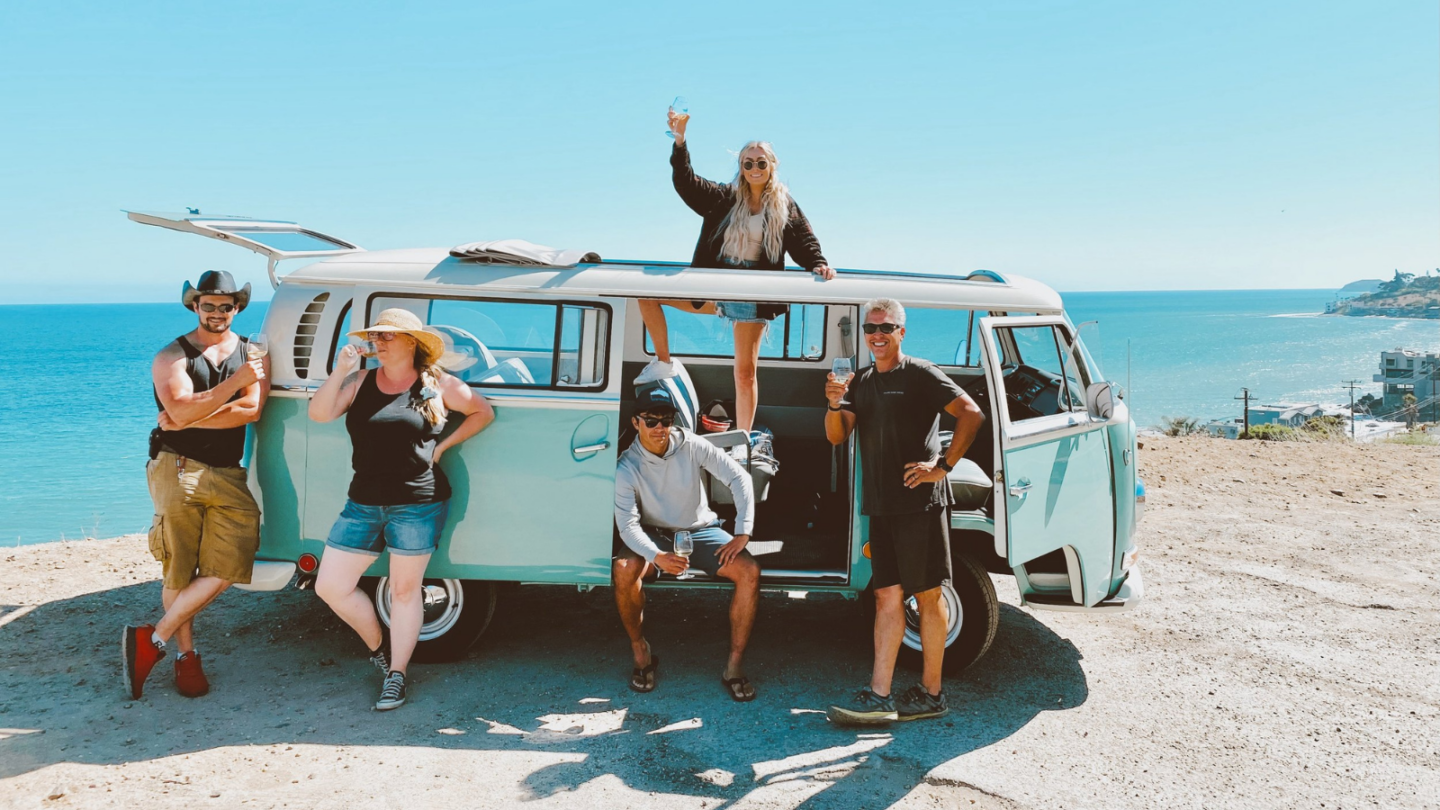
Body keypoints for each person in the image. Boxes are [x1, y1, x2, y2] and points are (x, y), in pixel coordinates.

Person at [308, 308, 494, 711]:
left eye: (388, 336)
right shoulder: (360, 380)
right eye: (376, 335)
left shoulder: (436, 383)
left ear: (412, 342)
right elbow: (319, 414)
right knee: (329, 586)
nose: (379, 342)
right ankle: (378, 647)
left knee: (406, 592)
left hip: (418, 504)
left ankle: (397, 675)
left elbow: (483, 411)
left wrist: (443, 447)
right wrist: (341, 370)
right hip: (363, 502)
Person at [823, 298, 985, 725]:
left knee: (929, 596)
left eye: (886, 327)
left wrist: (943, 466)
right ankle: (879, 695)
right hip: (880, 504)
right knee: (886, 596)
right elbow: (838, 437)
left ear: (901, 332)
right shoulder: (859, 381)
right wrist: (835, 404)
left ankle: (932, 694)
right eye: (870, 328)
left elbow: (971, 413)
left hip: (919, 503)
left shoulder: (920, 374)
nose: (877, 335)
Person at [635, 109, 835, 434]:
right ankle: (665, 364)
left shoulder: (784, 205)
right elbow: (686, 183)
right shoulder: (724, 198)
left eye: (761, 162)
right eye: (748, 163)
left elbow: (804, 241)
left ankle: (741, 439)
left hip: (751, 295)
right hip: (715, 287)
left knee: (744, 373)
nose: (754, 168)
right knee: (647, 295)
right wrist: (680, 141)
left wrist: (818, 265)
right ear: (741, 168)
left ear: (772, 166)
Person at [123, 270, 269, 700]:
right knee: (180, 566)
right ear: (195, 306)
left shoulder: (252, 351)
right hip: (178, 467)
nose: (218, 313)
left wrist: (191, 416)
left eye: (227, 306)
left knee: (233, 561)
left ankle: (152, 639)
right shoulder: (171, 356)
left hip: (227, 470)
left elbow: (252, 411)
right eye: (209, 305)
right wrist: (236, 384)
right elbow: (189, 406)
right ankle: (187, 658)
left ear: (237, 307)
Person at [613, 388, 762, 701]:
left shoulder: (691, 443)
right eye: (650, 420)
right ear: (635, 422)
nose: (659, 428)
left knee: (749, 571)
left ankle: (734, 666)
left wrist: (742, 531)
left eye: (665, 420)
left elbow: (740, 478)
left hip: (700, 529)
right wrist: (656, 556)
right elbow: (627, 526)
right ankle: (641, 652)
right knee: (624, 570)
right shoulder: (626, 465)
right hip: (653, 533)